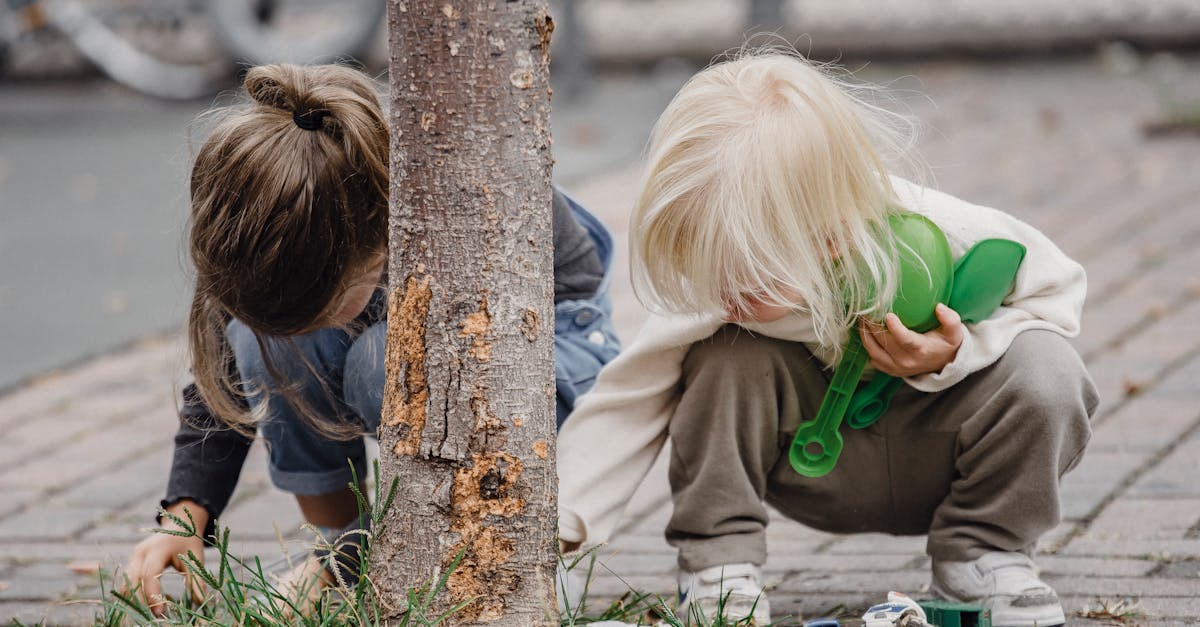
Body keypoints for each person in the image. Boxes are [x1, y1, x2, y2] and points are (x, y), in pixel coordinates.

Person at [554, 51, 1097, 627]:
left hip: (938, 450)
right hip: (814, 466)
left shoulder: (946, 232)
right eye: (709, 266)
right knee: (722, 357)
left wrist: (961, 352)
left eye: (749, 273)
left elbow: (1058, 297)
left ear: (831, 238)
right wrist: (556, 529)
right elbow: (628, 400)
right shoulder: (727, 291)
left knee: (1048, 370)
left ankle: (983, 555)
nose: (724, 291)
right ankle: (720, 568)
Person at [121, 63, 621, 615]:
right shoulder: (269, 229)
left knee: (381, 359)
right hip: (414, 354)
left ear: (376, 250)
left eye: (322, 310)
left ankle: (504, 554)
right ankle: (342, 546)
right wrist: (183, 517)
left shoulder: (454, 195)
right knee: (266, 344)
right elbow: (222, 384)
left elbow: (557, 337)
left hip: (548, 355)